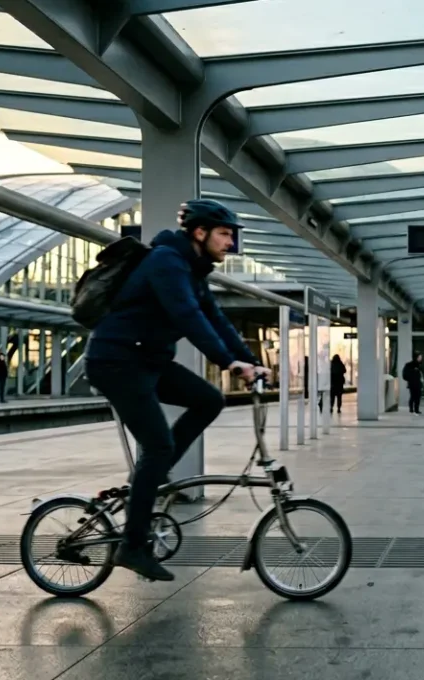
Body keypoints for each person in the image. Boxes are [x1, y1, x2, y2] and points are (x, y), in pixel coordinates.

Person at [85, 198, 268, 583]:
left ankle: (153, 475)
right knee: (158, 445)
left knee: (209, 399)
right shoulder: (166, 262)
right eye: (224, 234)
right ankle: (132, 547)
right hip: (117, 362)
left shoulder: (192, 270)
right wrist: (228, 363)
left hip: (147, 361)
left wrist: (250, 359)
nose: (230, 243)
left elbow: (216, 319)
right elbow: (188, 316)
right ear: (199, 233)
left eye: (231, 235)